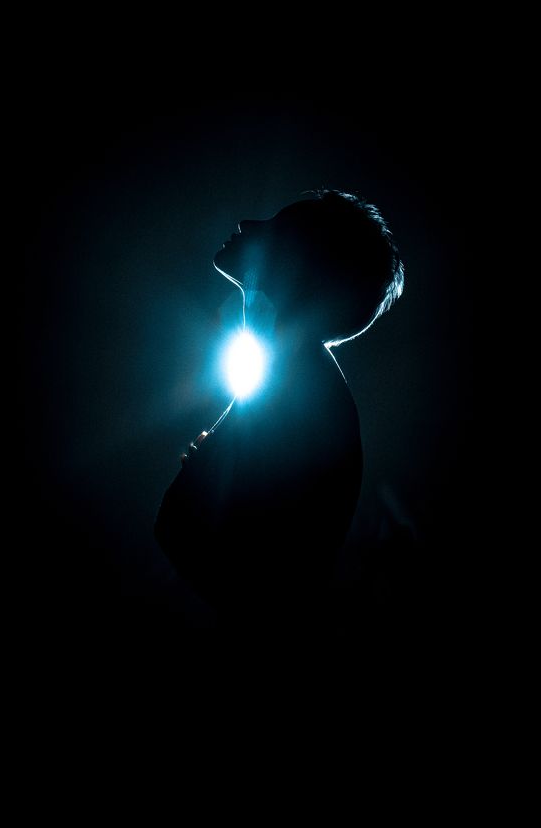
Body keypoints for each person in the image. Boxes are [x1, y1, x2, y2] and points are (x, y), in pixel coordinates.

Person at [154, 189, 404, 635]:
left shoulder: (300, 393)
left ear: (306, 269)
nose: (248, 223)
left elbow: (242, 573)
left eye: (277, 228)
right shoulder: (291, 378)